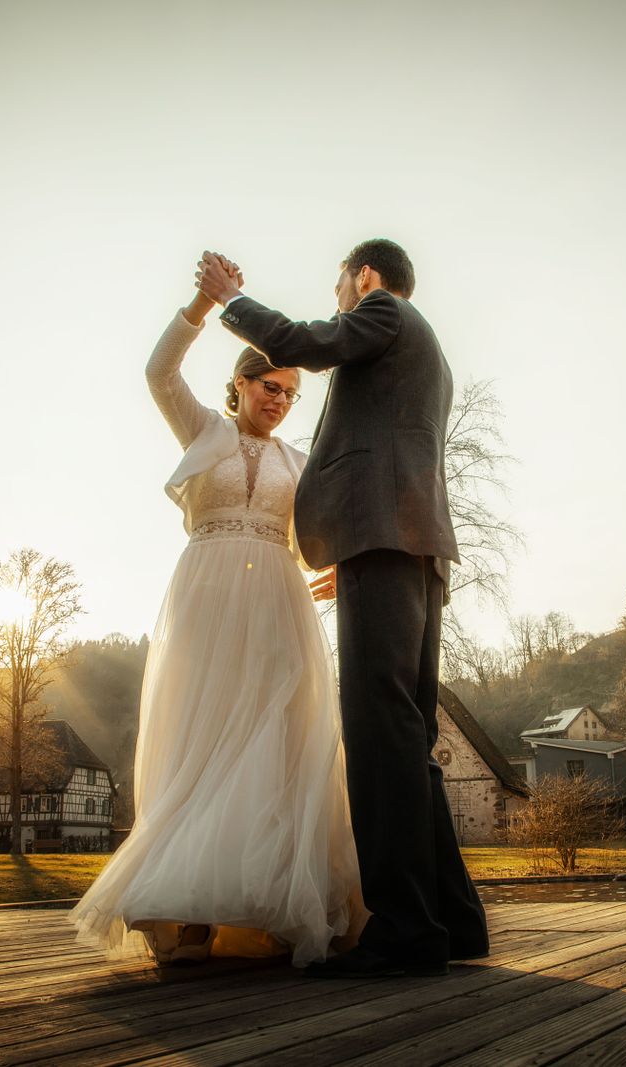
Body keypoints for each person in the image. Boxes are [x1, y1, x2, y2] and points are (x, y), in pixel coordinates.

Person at [196, 238, 488, 978]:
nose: (337, 299)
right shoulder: (429, 355)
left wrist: (232, 299)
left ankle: (402, 929)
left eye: (339, 284)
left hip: (384, 544)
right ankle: (452, 921)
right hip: (414, 548)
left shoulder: (384, 310)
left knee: (377, 729)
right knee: (409, 737)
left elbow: (303, 343)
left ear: (364, 276)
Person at [67, 277, 361, 967]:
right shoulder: (204, 430)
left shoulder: (299, 461)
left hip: (279, 608)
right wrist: (202, 305)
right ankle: (186, 915)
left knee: (273, 740)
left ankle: (270, 906)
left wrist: (346, 565)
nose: (280, 400)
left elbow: (333, 521)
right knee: (201, 739)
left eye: (290, 392)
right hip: (205, 599)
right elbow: (159, 372)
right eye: (269, 386)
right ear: (240, 384)